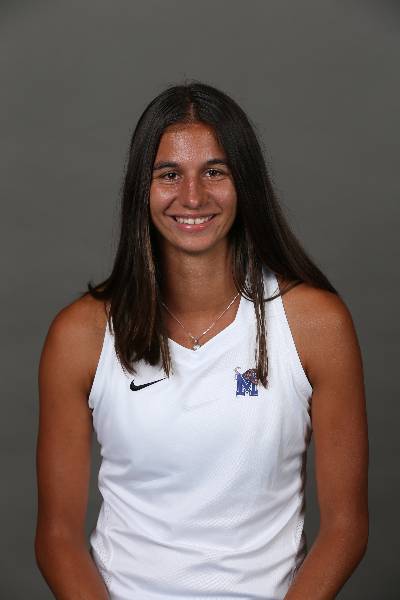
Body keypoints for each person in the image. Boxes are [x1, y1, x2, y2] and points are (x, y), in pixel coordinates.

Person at [35, 81, 369, 600]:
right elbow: (57, 536)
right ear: (142, 189)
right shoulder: (80, 335)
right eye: (169, 174)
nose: (192, 197)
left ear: (245, 183)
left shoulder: (316, 325)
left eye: (215, 171)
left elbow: (346, 526)